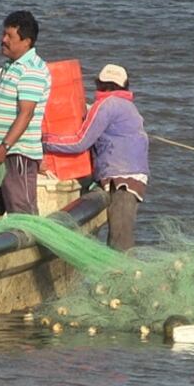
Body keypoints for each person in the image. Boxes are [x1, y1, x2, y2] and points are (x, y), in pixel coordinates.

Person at [43, 64, 149, 251]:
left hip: (122, 179)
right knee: (122, 234)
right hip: (134, 177)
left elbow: (80, 142)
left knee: (119, 240)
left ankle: (120, 275)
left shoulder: (106, 105)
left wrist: (45, 141)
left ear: (102, 86)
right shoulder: (127, 106)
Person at [0, 11, 51, 225]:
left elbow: (26, 113)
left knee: (22, 215)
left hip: (17, 154)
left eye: (10, 36)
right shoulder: (9, 66)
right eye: (3, 34)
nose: (3, 40)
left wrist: (4, 147)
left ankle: (30, 256)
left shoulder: (32, 70)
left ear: (26, 41)